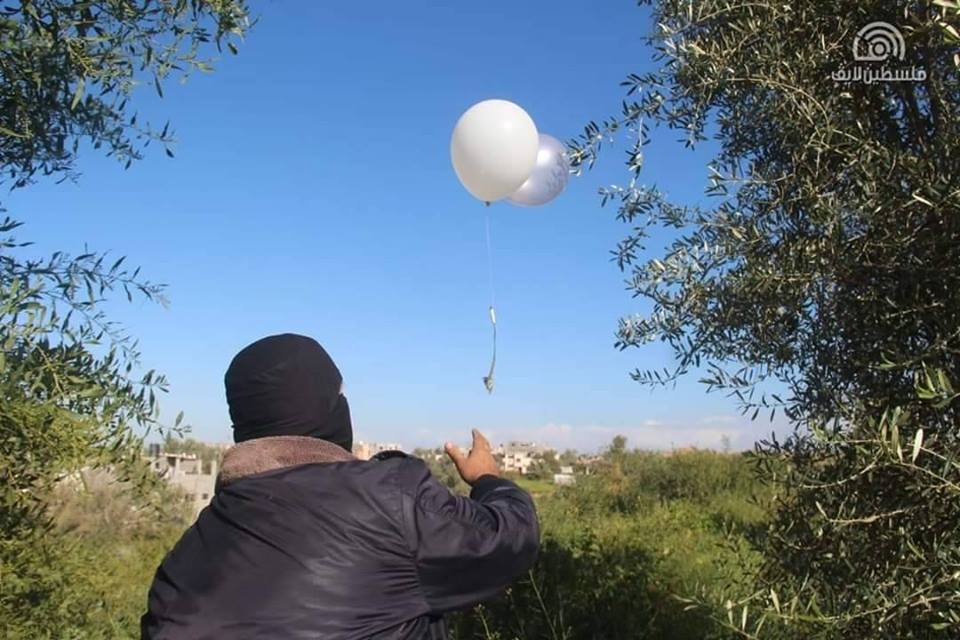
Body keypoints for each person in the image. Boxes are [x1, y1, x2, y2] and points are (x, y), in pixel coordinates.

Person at [141, 333, 539, 639]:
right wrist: (488, 479)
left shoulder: (185, 558)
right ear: (323, 407)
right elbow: (508, 538)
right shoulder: (386, 500)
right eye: (339, 395)